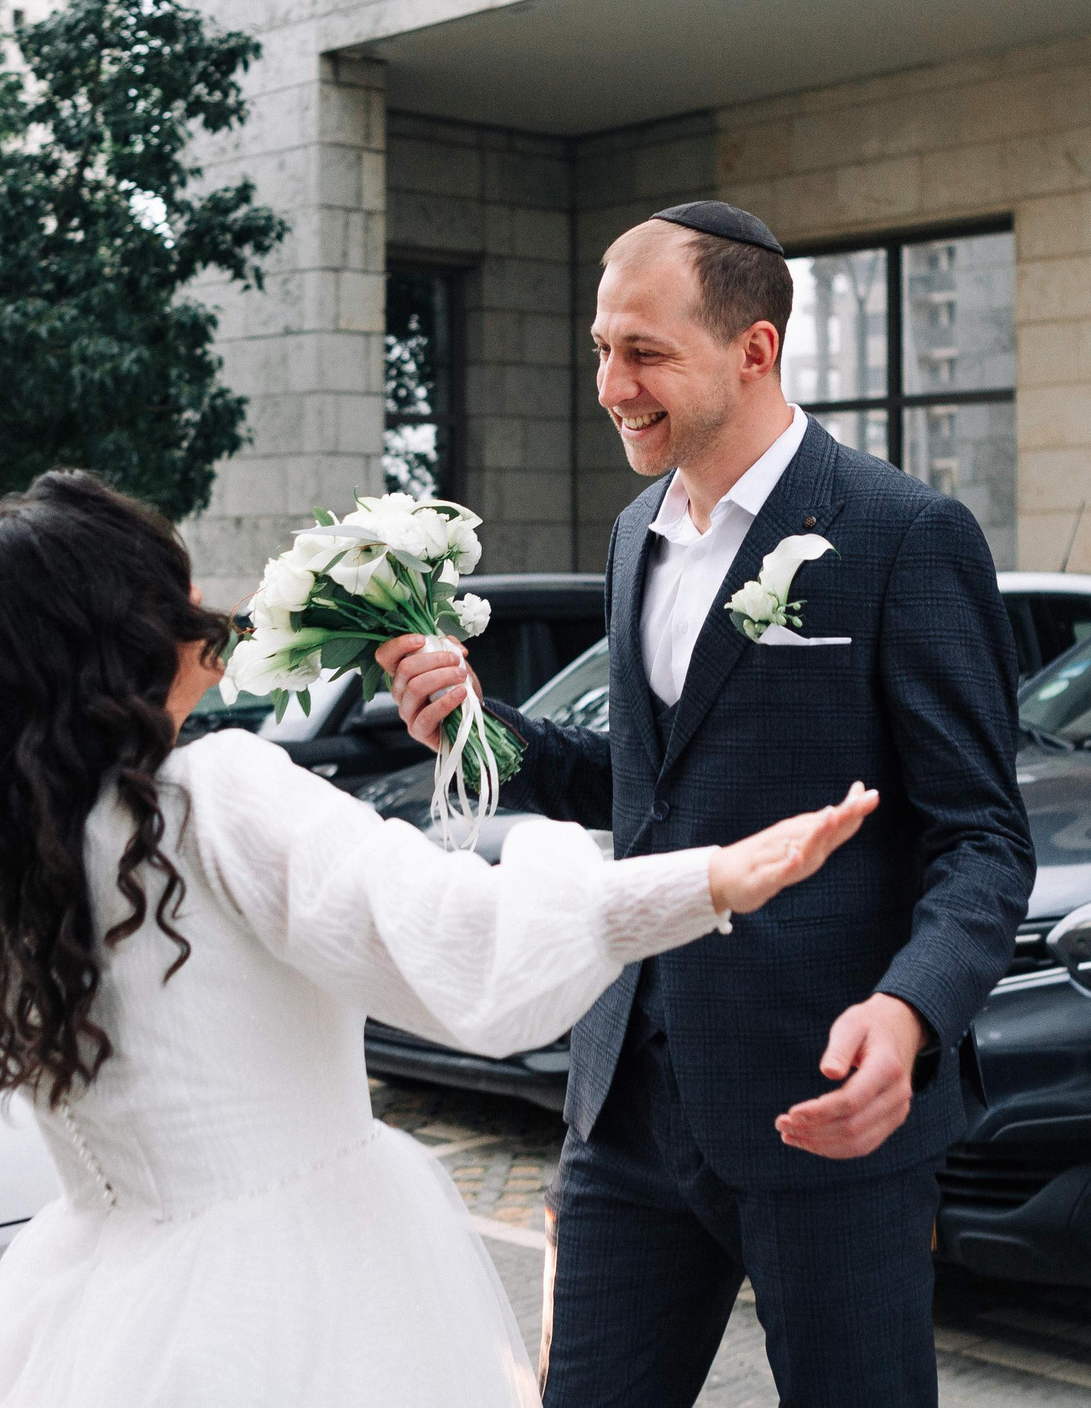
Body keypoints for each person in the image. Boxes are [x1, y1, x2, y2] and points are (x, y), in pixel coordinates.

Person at [0, 470, 879, 1408]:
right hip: (303, 1293)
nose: (200, 601)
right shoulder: (219, 795)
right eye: (169, 587)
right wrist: (704, 879)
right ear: (116, 637)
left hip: (98, 1317)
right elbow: (461, 943)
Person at [381, 201, 1035, 1408]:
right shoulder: (638, 532)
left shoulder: (903, 536)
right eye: (599, 348)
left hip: (824, 1097)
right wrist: (477, 726)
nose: (609, 384)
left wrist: (908, 1013)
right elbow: (641, 783)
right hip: (624, 1100)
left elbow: (982, 838)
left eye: (642, 352)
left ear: (754, 348)